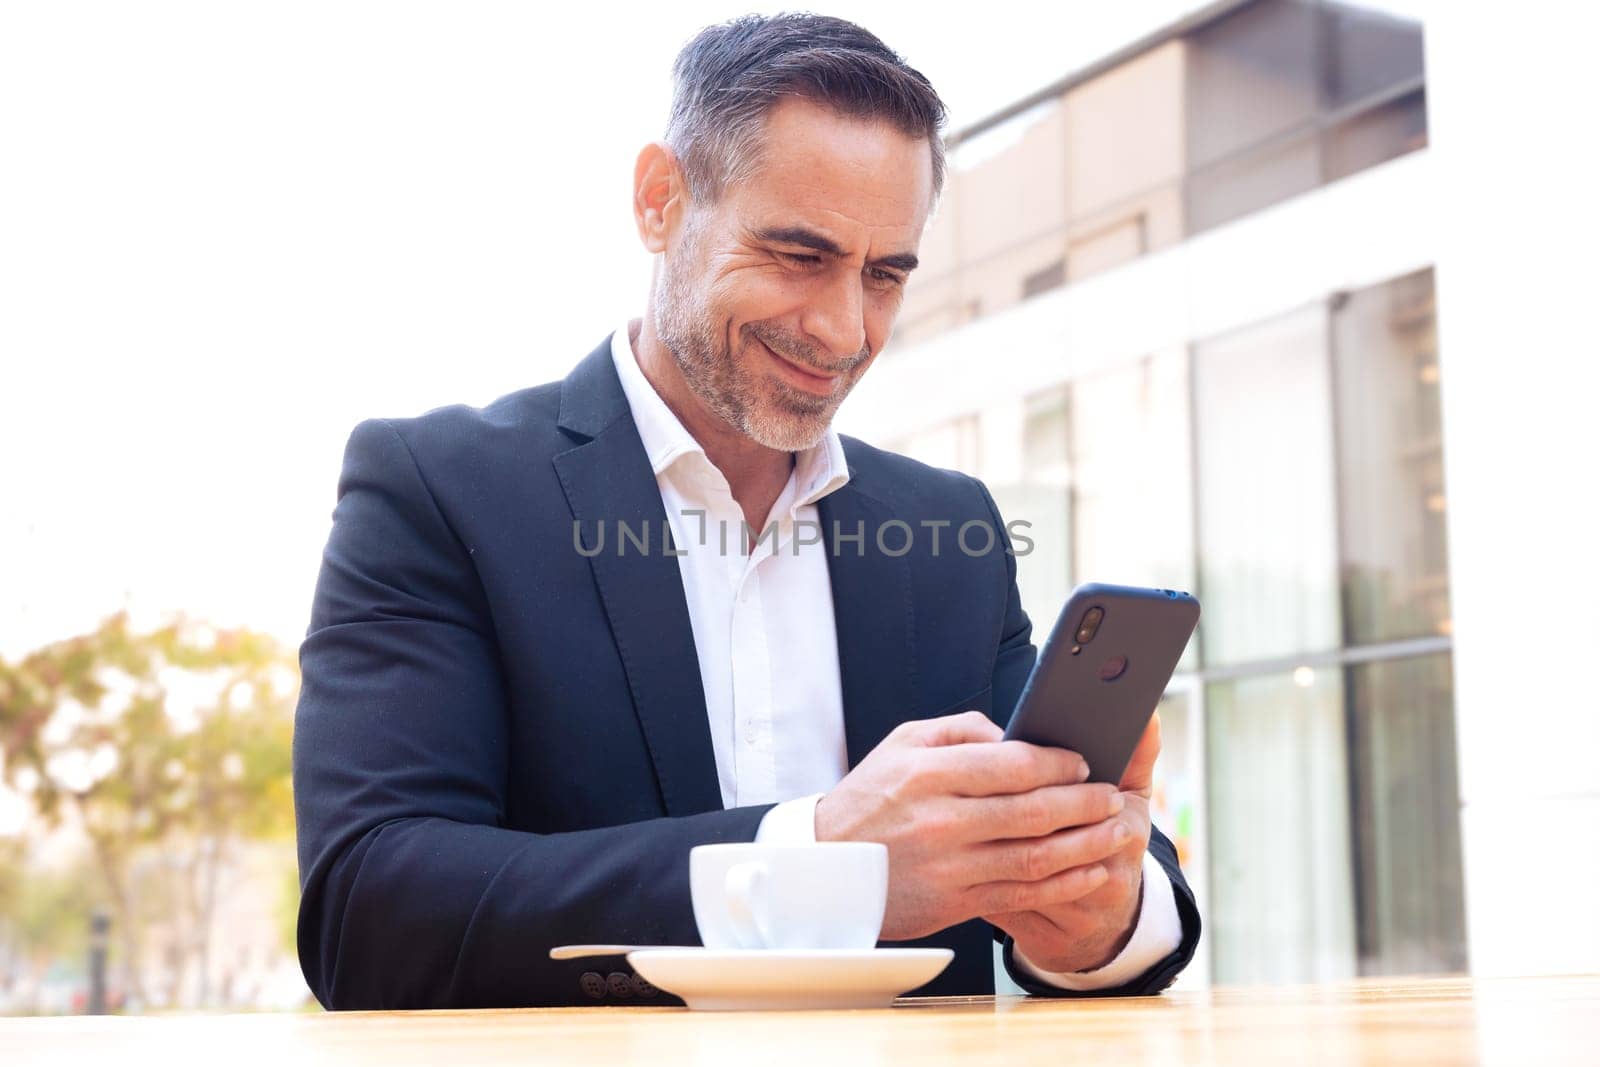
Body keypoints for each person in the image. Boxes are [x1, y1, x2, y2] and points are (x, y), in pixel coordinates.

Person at [292, 12, 1200, 1010]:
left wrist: (1095, 914)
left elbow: (1124, 903)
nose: (843, 329)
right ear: (659, 202)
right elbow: (368, 910)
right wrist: (817, 855)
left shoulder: (951, 532)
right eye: (798, 255)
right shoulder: (436, 488)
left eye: (884, 274)